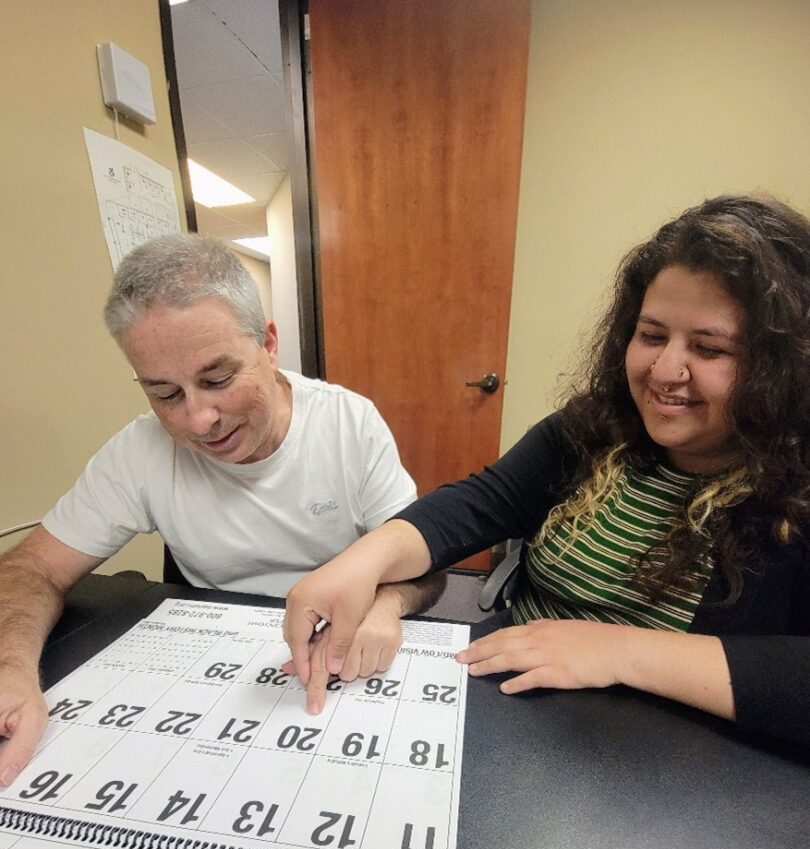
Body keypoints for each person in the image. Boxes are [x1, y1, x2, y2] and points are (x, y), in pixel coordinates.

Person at [284, 193, 810, 748]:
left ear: (782, 368)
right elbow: (479, 502)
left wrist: (616, 650)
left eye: (709, 349)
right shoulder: (595, 425)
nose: (664, 369)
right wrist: (365, 560)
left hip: (655, 758)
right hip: (511, 706)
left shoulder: (794, 490)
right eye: (652, 335)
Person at [0, 234, 442, 786]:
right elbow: (30, 567)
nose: (197, 420)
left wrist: (386, 606)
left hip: (335, 662)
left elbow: (426, 565)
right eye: (164, 393)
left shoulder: (348, 425)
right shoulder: (139, 452)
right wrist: (11, 669)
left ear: (269, 344)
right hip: (210, 673)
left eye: (217, 379)